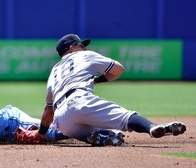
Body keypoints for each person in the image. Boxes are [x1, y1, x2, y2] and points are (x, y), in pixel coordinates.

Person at [22, 34, 186, 145]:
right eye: (81, 45)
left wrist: (41, 133)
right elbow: (118, 69)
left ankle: (102, 136)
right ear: (71, 48)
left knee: (95, 133)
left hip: (63, 120)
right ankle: (152, 127)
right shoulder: (85, 55)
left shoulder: (54, 72)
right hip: (80, 100)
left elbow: (48, 110)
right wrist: (96, 80)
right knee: (126, 118)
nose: (84, 47)